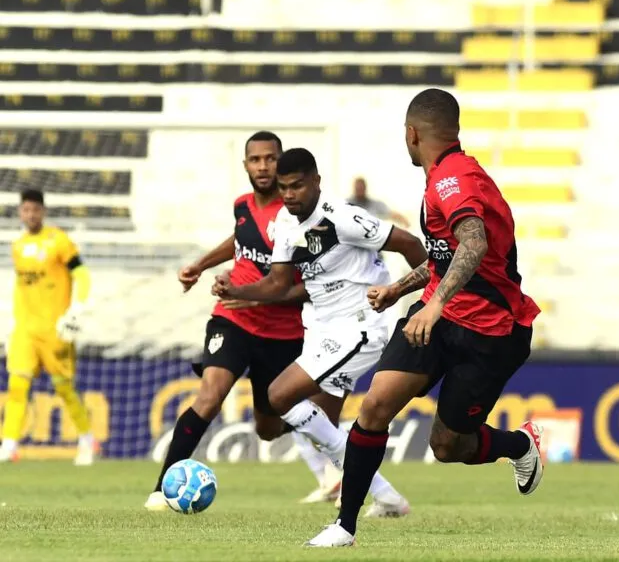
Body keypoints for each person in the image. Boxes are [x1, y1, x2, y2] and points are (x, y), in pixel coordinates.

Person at [305, 88, 543, 548]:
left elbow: (472, 242)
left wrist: (434, 306)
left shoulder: (453, 180)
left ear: (411, 134)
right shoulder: (448, 175)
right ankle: (345, 526)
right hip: (436, 315)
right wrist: (402, 288)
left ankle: (519, 446)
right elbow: (445, 255)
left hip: (490, 329)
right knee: (375, 406)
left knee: (448, 446)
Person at [213, 146, 429, 518]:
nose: (290, 195)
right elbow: (278, 284)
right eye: (283, 188)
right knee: (320, 424)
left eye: (297, 185)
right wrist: (237, 290)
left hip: (362, 324)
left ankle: (380, 494)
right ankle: (386, 497)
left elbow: (411, 246)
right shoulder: (284, 221)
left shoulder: (344, 218)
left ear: (316, 181)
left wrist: (422, 300)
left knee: (279, 396)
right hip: (323, 328)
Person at [144, 131, 339, 510]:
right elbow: (239, 239)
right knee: (210, 395)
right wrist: (201, 266)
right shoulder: (243, 205)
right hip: (232, 320)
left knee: (267, 430)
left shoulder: (301, 219)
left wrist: (251, 293)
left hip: (281, 334)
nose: (263, 166)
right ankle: (161, 490)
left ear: (281, 164)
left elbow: (310, 286)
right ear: (246, 165)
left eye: (270, 159)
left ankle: (328, 450)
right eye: (256, 159)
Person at [1, 188, 97, 465]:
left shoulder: (58, 240)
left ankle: (87, 440)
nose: (30, 215)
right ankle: (9, 445)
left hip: (56, 329)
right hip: (25, 330)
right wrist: (11, 323)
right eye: (26, 210)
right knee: (17, 385)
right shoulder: (17, 246)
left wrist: (77, 308)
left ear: (42, 211)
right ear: (20, 212)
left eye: (35, 209)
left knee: (64, 389)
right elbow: (21, 288)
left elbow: (82, 273)